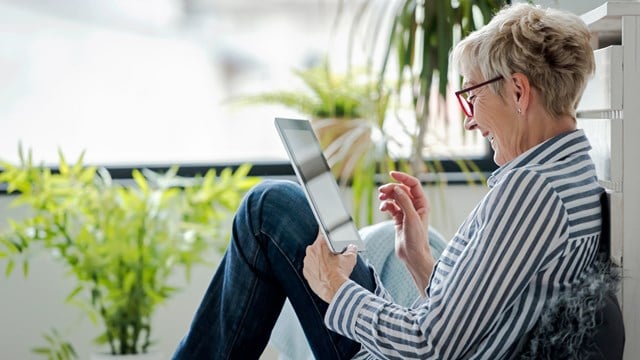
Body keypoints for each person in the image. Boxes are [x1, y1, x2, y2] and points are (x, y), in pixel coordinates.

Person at [173, 3, 606, 359]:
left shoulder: (531, 191)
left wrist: (336, 288)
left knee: (268, 208)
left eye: (472, 94)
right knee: (277, 206)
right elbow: (469, 319)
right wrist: (417, 256)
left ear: (517, 91)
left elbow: (429, 345)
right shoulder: (565, 172)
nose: (470, 120)